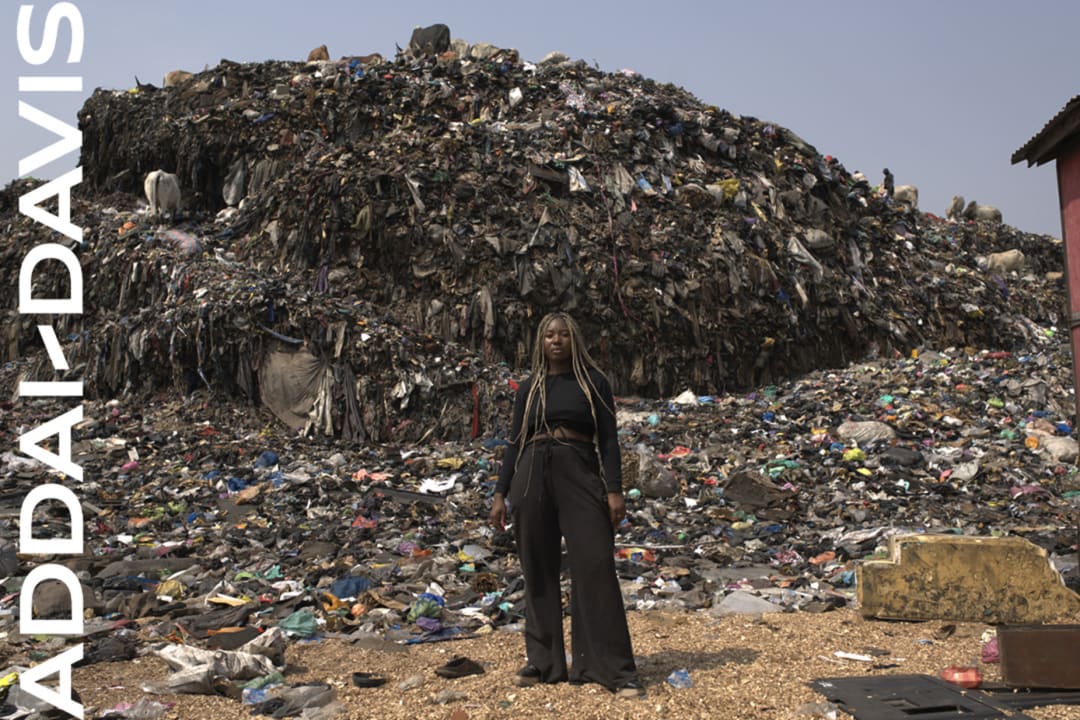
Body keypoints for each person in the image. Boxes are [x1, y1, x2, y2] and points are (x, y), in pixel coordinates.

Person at [488, 311, 645, 699]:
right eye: (548, 336)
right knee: (538, 568)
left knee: (594, 565)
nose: (555, 341)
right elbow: (513, 442)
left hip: (578, 469)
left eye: (562, 335)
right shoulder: (530, 388)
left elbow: (608, 440)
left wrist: (614, 489)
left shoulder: (594, 383)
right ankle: (544, 663)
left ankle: (610, 668)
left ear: (574, 340)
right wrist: (499, 493)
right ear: (541, 343)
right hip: (532, 472)